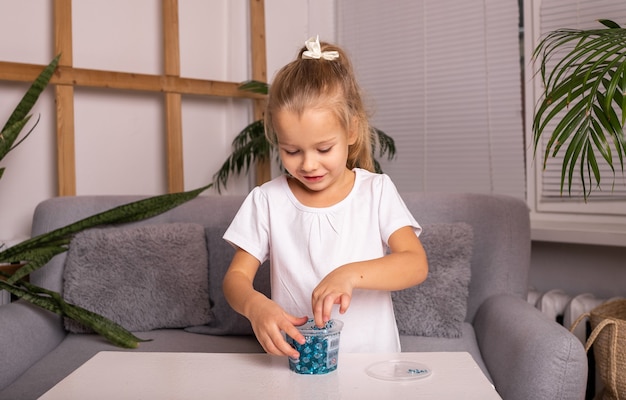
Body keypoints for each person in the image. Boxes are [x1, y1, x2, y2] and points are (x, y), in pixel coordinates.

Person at [222, 35, 428, 360]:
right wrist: (255, 306)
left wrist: (349, 274)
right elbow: (235, 279)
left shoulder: (376, 192)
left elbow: (415, 263)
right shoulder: (267, 201)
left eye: (323, 149)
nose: (308, 164)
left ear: (351, 131)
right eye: (291, 151)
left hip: (373, 366)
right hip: (298, 366)